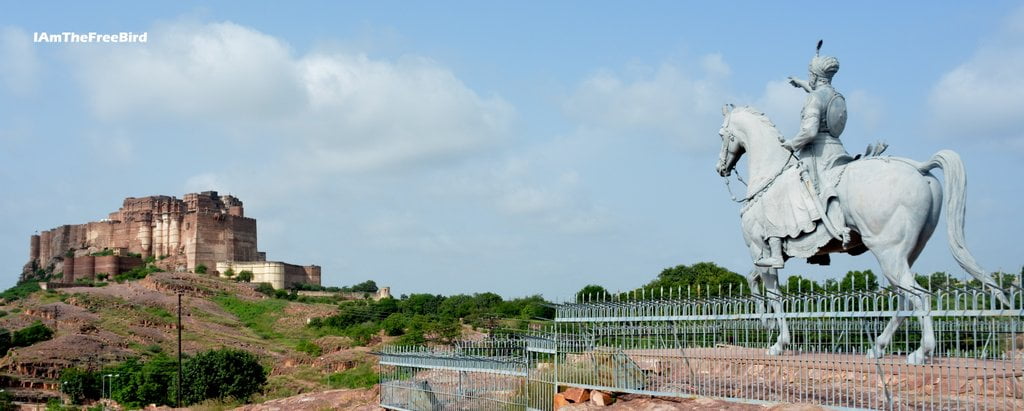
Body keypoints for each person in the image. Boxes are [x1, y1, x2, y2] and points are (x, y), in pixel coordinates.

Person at [756, 43, 851, 269]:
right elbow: (820, 94)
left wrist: (790, 144)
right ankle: (820, 251)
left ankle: (777, 255)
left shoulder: (814, 99)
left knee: (779, 196)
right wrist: (802, 85)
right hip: (838, 150)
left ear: (815, 75)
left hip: (815, 156)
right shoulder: (837, 96)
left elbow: (809, 132)